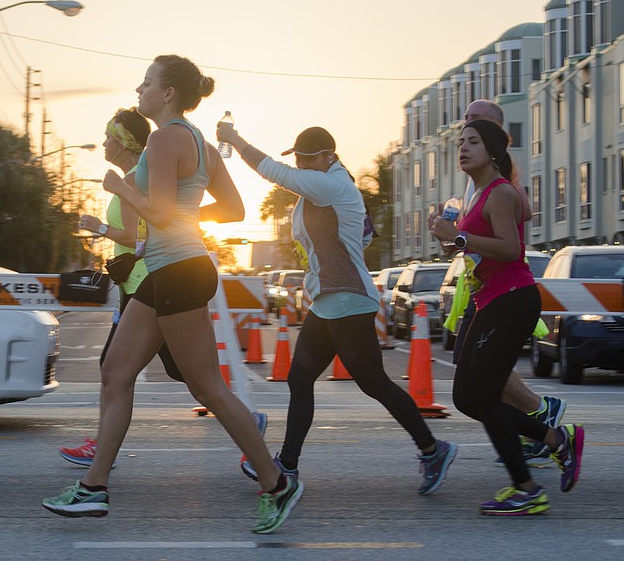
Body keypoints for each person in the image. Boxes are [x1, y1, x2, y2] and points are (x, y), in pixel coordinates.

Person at [42, 55, 303, 535]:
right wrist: (185, 217)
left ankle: (276, 482)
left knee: (206, 386)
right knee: (115, 372)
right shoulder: (201, 143)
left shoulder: (163, 139)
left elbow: (158, 215)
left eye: (146, 83)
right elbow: (231, 207)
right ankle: (93, 489)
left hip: (179, 271)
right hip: (169, 269)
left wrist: (122, 187)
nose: (139, 90)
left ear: (167, 94)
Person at [215, 123, 457, 496]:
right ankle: (289, 464)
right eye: (297, 157)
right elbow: (357, 234)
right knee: (301, 379)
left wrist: (235, 140)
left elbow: (273, 173)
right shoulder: (323, 187)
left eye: (308, 157)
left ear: (329, 156)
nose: (300, 163)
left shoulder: (332, 184)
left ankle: (432, 449)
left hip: (348, 299)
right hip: (330, 299)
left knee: (372, 382)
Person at [431, 119, 583, 515]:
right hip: (492, 301)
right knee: (467, 397)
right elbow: (479, 247)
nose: (463, 148)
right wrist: (452, 240)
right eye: (461, 142)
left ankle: (528, 487)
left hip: (512, 299)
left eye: (473, 142)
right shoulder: (479, 194)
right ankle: (555, 440)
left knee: (479, 395)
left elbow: (509, 248)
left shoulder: (500, 192)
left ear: (493, 151)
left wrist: (460, 237)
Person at [60, 107, 184, 468]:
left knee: (116, 367)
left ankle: (101, 450)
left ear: (125, 142)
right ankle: (102, 447)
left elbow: (131, 236)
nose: (103, 142)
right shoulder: (133, 177)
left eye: (109, 136)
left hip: (145, 286)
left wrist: (99, 227)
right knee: (176, 370)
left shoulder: (131, 180)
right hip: (137, 286)